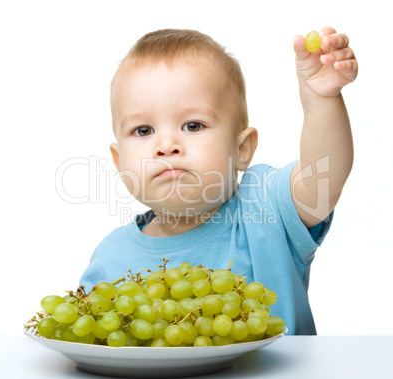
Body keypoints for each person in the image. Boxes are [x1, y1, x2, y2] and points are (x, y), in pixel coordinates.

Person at [79, 27, 358, 335]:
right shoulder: (109, 260)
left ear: (241, 150)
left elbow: (322, 179)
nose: (166, 145)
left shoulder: (265, 209)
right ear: (120, 163)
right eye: (143, 131)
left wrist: (321, 100)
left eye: (193, 125)